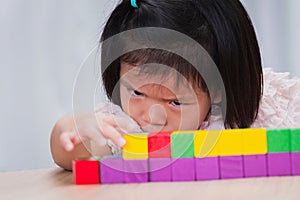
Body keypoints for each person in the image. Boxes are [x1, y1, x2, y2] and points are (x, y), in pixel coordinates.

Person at [50, 0, 300, 170]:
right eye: (137, 92)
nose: (152, 117)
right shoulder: (123, 127)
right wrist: (75, 129)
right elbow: (68, 152)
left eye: (175, 102)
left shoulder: (267, 109)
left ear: (217, 93)